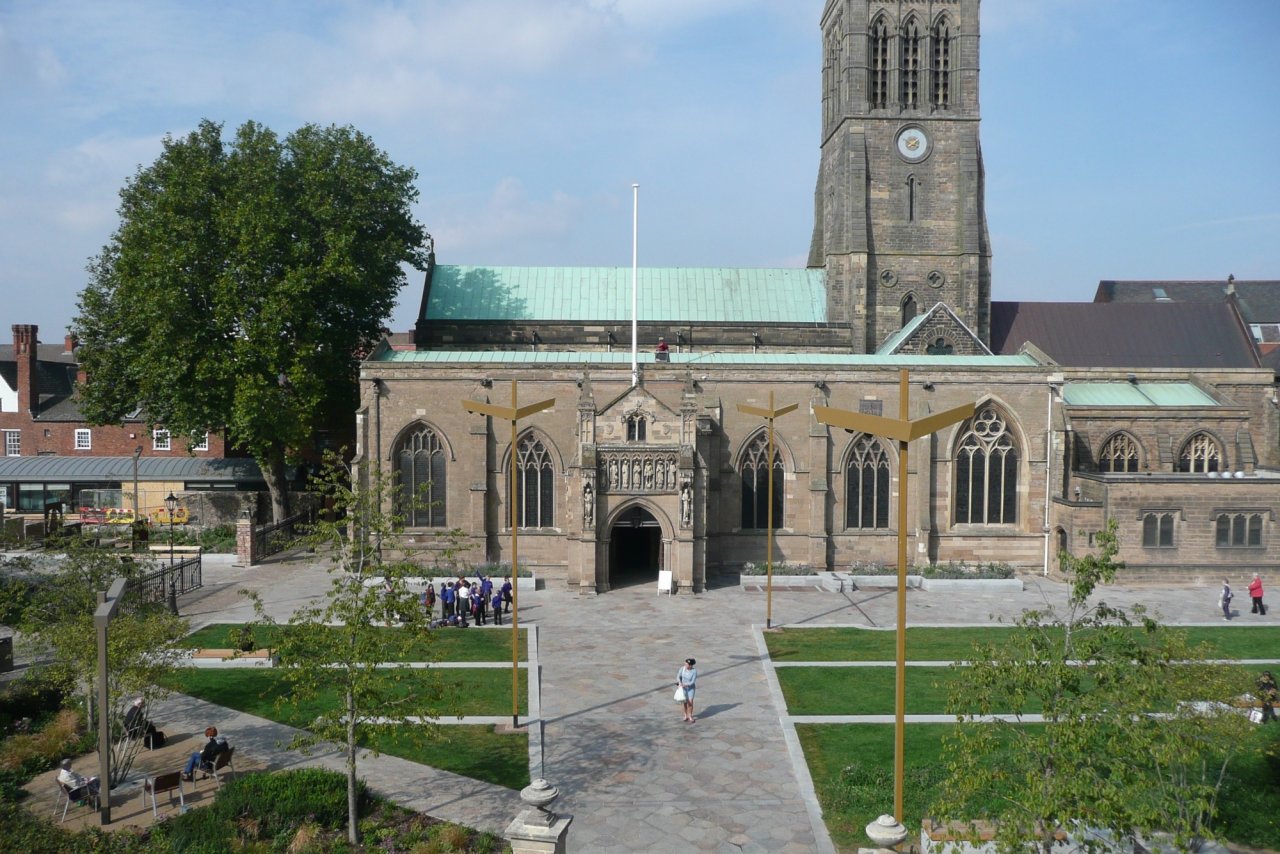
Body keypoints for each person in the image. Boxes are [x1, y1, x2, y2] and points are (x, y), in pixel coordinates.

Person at [677, 657, 698, 723]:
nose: (685, 665)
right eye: (685, 663)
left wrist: (686, 685)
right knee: (685, 702)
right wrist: (679, 682)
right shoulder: (682, 668)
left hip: (690, 688)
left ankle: (690, 716)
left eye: (687, 664)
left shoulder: (694, 671)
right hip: (683, 688)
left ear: (690, 665)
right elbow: (678, 676)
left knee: (690, 702)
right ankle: (685, 715)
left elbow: (692, 681)